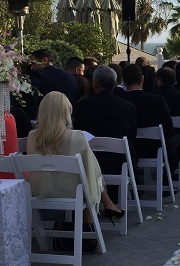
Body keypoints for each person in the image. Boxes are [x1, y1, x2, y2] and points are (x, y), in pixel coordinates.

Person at [28, 91, 124, 253]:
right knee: (90, 168)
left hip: (40, 190)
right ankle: (104, 207)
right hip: (72, 192)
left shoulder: (32, 136)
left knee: (84, 171)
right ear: (65, 112)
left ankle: (105, 207)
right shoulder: (77, 137)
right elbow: (90, 171)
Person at [72, 65, 138, 176]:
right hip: (121, 163)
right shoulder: (127, 107)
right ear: (115, 83)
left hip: (90, 163)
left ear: (95, 83)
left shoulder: (81, 106)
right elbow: (132, 135)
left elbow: (78, 133)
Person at [121, 64, 180, 174]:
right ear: (142, 79)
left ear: (124, 81)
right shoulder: (157, 100)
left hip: (129, 149)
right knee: (179, 140)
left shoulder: (120, 102)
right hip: (155, 149)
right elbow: (169, 129)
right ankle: (168, 176)